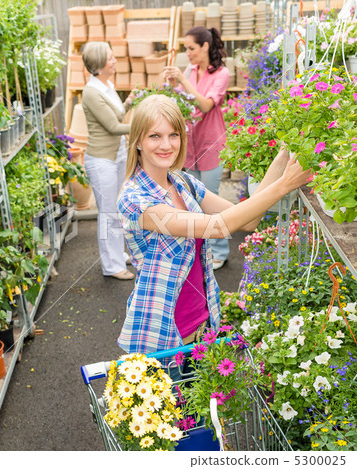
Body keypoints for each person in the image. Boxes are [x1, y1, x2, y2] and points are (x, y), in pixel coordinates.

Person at [116, 94, 311, 370]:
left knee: (205, 414)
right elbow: (218, 226)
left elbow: (246, 220)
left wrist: (285, 154)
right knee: (176, 412)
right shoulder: (135, 199)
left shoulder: (183, 182)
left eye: (174, 134)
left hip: (204, 325)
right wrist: (284, 186)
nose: (166, 144)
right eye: (154, 136)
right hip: (163, 337)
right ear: (137, 141)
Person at [163, 26, 230, 271]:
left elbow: (204, 105)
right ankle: (201, 251)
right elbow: (182, 101)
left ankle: (220, 252)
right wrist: (172, 86)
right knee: (191, 201)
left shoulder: (221, 73)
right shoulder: (190, 71)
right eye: (185, 48)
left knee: (210, 203)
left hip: (211, 145)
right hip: (189, 146)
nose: (187, 53)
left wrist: (181, 79)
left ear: (204, 46)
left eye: (191, 48)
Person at [81, 41, 134, 280]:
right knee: (108, 213)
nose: (114, 61)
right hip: (102, 159)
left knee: (118, 208)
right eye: (110, 58)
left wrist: (131, 100)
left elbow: (118, 114)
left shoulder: (107, 85)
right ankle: (111, 266)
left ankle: (117, 255)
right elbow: (113, 127)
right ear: (100, 65)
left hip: (117, 154)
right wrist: (145, 126)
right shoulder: (91, 92)